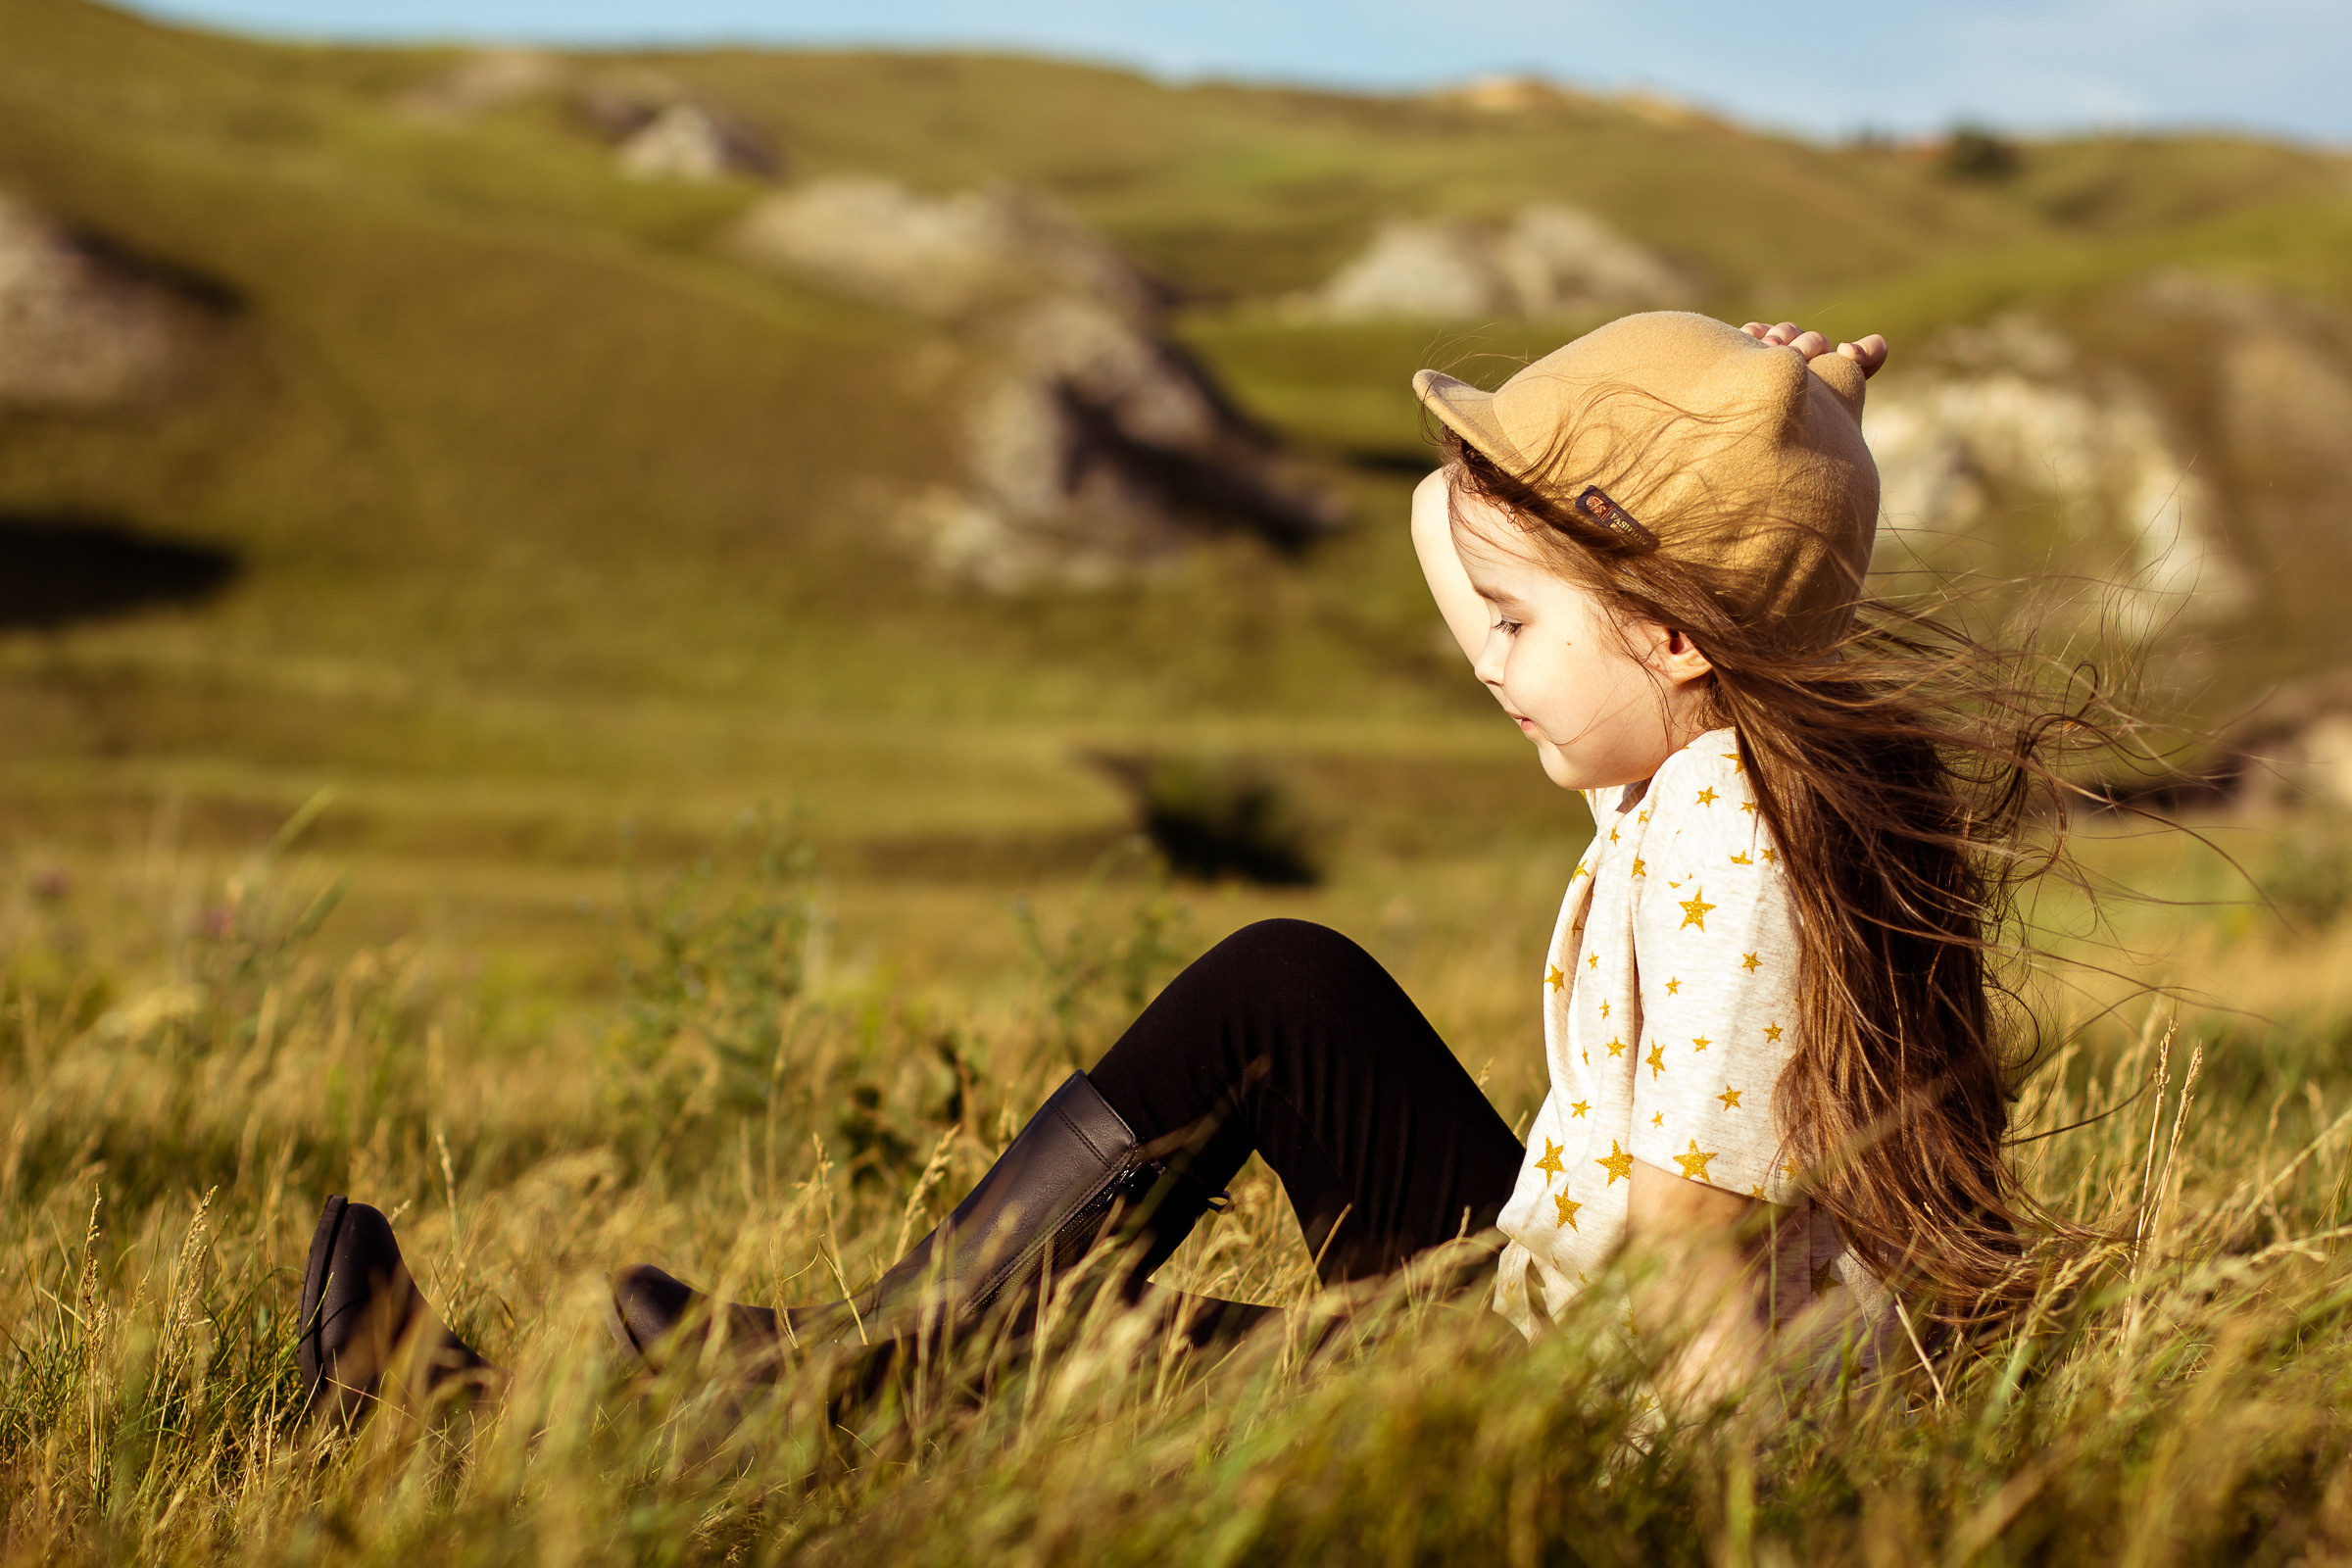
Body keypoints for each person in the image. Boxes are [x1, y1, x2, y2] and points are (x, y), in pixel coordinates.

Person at [297, 312, 2066, 1426]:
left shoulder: (1744, 860)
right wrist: (1763, 415)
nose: (1479, 658)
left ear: (1676, 637)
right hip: (1548, 1303)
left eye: (1519, 624)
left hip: (1596, 1394)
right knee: (1284, 985)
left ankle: (544, 1413)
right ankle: (780, 1372)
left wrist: (1640, 1513)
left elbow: (1694, 1262)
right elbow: (1488, 556)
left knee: (1100, 1370)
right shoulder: (1704, 773)